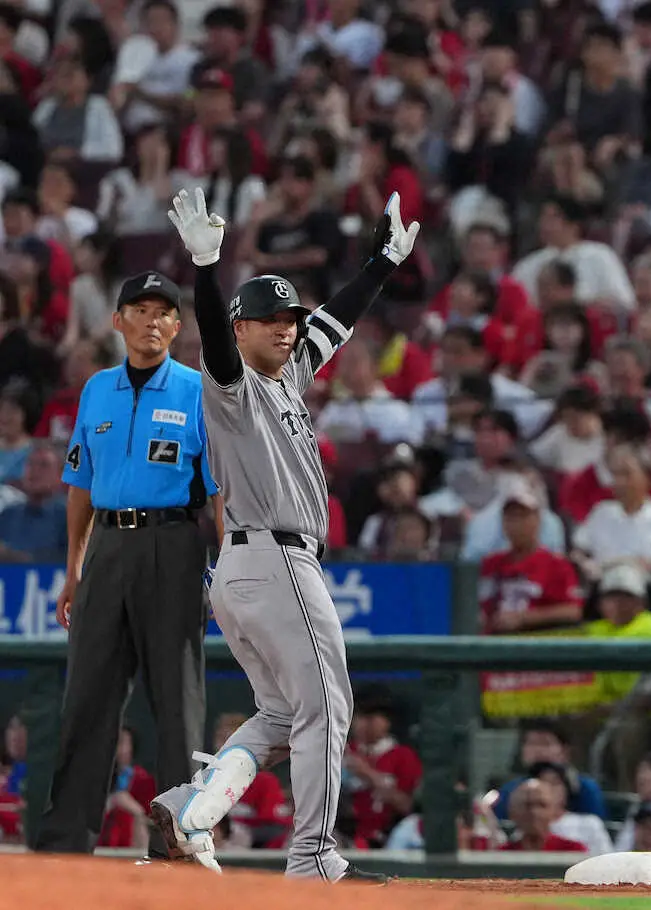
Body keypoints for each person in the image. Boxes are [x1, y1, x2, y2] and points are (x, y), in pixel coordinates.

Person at [146, 187, 419, 880]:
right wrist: (206, 270)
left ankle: (190, 810)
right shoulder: (231, 384)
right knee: (327, 704)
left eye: (289, 318)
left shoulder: (290, 374)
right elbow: (214, 340)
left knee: (279, 713)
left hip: (251, 569)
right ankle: (314, 857)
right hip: (274, 559)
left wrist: (382, 263)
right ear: (242, 330)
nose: (285, 328)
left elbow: (336, 322)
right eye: (268, 320)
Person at [36, 271, 219, 858]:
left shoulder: (198, 389)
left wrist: (227, 570)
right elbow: (80, 485)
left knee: (177, 700)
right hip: (108, 546)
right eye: (140, 310)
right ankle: (66, 842)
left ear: (177, 325)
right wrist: (73, 569)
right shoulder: (97, 389)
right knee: (86, 697)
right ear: (118, 321)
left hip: (173, 541)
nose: (152, 321)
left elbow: (220, 492)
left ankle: (179, 841)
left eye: (164, 312)